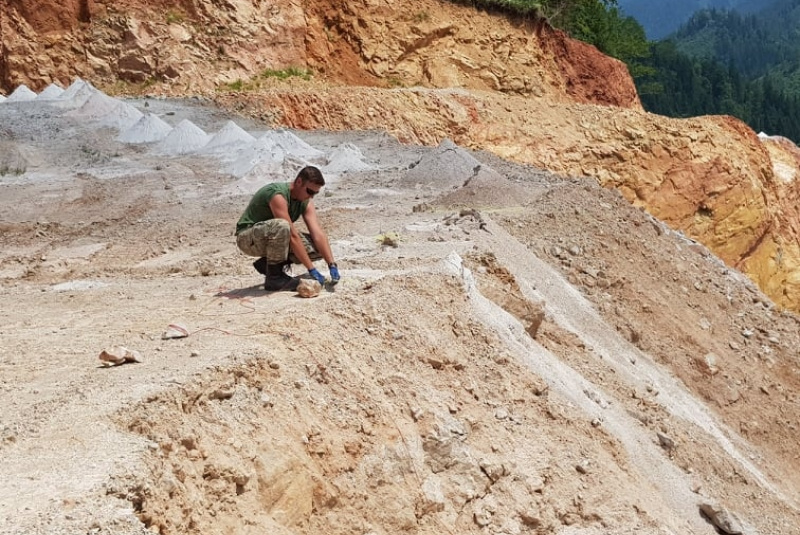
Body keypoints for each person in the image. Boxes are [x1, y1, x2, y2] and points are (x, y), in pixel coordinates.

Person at [235, 166, 340, 291]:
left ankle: (268, 265)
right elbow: (292, 236)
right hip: (248, 238)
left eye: (315, 193)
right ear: (299, 182)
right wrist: (311, 269)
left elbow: (318, 234)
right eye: (310, 191)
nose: (311, 196)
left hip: (269, 238)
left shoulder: (305, 201)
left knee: (318, 248)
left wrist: (331, 264)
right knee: (283, 226)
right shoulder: (278, 195)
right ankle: (274, 278)